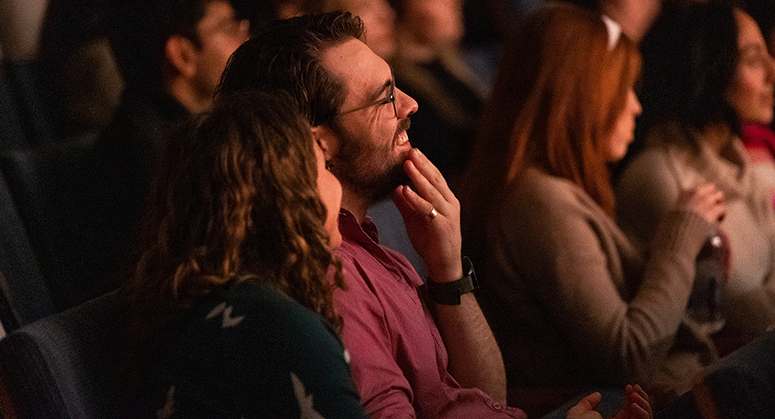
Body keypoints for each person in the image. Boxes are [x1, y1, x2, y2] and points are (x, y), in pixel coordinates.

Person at [215, 11, 651, 419]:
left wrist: (448, 268)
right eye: (385, 98)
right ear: (320, 143)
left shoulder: (373, 243)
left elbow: (483, 400)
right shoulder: (329, 276)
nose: (410, 104)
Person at [459, 2, 725, 416]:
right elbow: (629, 355)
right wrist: (681, 237)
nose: (636, 106)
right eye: (622, 90)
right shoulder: (541, 202)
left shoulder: (553, 189)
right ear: (579, 97)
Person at [121, 90, 366, 418]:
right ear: (290, 200)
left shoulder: (190, 311)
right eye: (324, 166)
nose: (337, 183)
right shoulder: (283, 330)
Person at [616, 0, 775, 356]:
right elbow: (726, 311)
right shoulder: (660, 177)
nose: (772, 72)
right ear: (710, 68)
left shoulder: (749, 168)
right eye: (752, 59)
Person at [82, 0, 250, 298]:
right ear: (182, 55)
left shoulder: (186, 130)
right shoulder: (161, 155)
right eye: (228, 27)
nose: (244, 37)